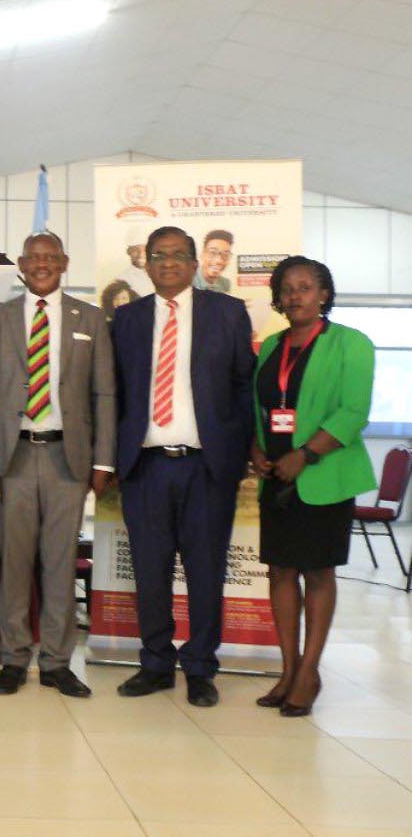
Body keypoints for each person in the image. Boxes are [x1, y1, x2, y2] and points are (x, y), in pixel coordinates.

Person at [111, 225, 254, 707]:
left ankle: (200, 667)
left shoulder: (228, 313)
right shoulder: (127, 319)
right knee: (149, 571)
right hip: (146, 466)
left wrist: (238, 454)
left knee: (206, 569)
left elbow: (243, 387)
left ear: (195, 264)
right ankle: (154, 663)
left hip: (207, 467)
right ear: (146, 265)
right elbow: (113, 394)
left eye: (178, 255)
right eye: (158, 255)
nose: (168, 263)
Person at [0, 232, 115, 698]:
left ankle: (55, 662)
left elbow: (105, 395)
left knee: (58, 564)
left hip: (66, 459)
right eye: (33, 258)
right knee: (14, 564)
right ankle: (14, 657)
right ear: (20, 264)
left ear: (65, 262)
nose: (41, 265)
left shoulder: (90, 318)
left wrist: (104, 460)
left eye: (50, 257)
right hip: (11, 457)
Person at [250, 256, 375, 717]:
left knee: (318, 574)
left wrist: (305, 455)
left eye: (306, 287)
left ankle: (309, 673)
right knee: (280, 572)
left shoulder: (351, 343)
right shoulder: (270, 347)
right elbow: (259, 408)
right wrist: (258, 450)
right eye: (287, 288)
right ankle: (288, 669)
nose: (295, 295)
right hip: (276, 479)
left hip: (323, 477)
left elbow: (352, 412)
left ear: (324, 294)